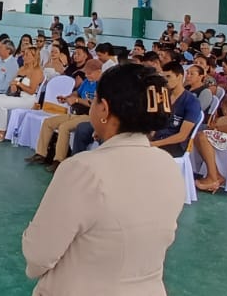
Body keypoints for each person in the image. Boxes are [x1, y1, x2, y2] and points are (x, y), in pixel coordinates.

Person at [22, 63, 183, 296]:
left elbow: (39, 253)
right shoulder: (168, 166)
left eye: (95, 100)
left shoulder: (83, 170)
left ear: (104, 109)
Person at [27, 59, 101, 173]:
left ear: (99, 71)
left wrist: (77, 100)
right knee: (48, 122)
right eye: (86, 73)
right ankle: (41, 154)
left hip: (89, 116)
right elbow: (77, 92)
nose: (87, 75)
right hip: (76, 113)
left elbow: (95, 104)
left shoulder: (102, 85)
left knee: (64, 127)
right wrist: (67, 97)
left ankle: (59, 160)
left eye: (90, 73)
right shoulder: (87, 81)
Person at [0, 45, 45, 143]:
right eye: (24, 54)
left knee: (0, 103)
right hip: (17, 95)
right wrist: (13, 84)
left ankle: (2, 131)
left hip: (28, 99)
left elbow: (32, 91)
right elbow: (12, 81)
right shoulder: (22, 69)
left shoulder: (37, 71)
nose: (24, 57)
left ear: (34, 57)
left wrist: (19, 84)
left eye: (27, 55)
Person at [149, 61, 202, 157]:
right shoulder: (163, 96)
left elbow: (182, 136)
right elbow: (155, 124)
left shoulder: (192, 102)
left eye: (168, 76)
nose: (165, 80)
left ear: (180, 77)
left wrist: (154, 144)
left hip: (174, 145)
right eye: (163, 77)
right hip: (157, 140)